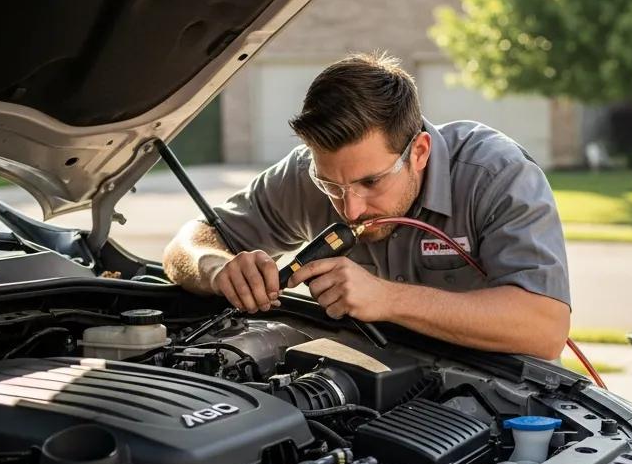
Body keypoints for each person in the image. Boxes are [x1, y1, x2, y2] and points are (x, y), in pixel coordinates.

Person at [162, 52, 571, 360]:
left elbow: (544, 328)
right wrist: (216, 269)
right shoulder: (309, 174)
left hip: (495, 393)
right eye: (331, 186)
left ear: (420, 152)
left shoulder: (495, 174)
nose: (351, 209)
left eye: (371, 182)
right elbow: (187, 243)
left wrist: (389, 299)